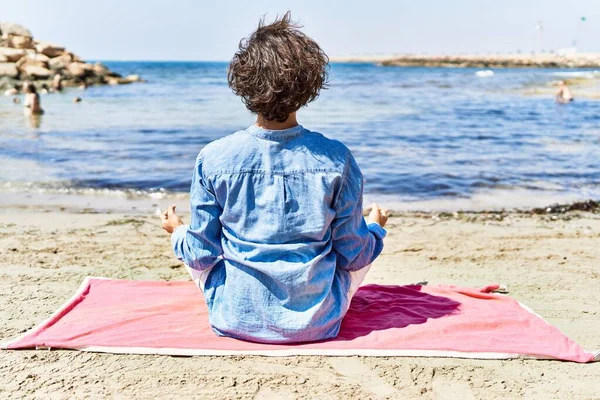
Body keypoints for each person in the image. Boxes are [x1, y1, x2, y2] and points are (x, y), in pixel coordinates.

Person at [160, 12, 388, 344]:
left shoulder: (213, 157)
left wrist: (177, 231)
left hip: (235, 318)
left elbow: (201, 254)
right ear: (309, 86)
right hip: (318, 323)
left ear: (244, 84)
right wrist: (376, 229)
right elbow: (353, 254)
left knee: (193, 249)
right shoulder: (337, 158)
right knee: (361, 242)